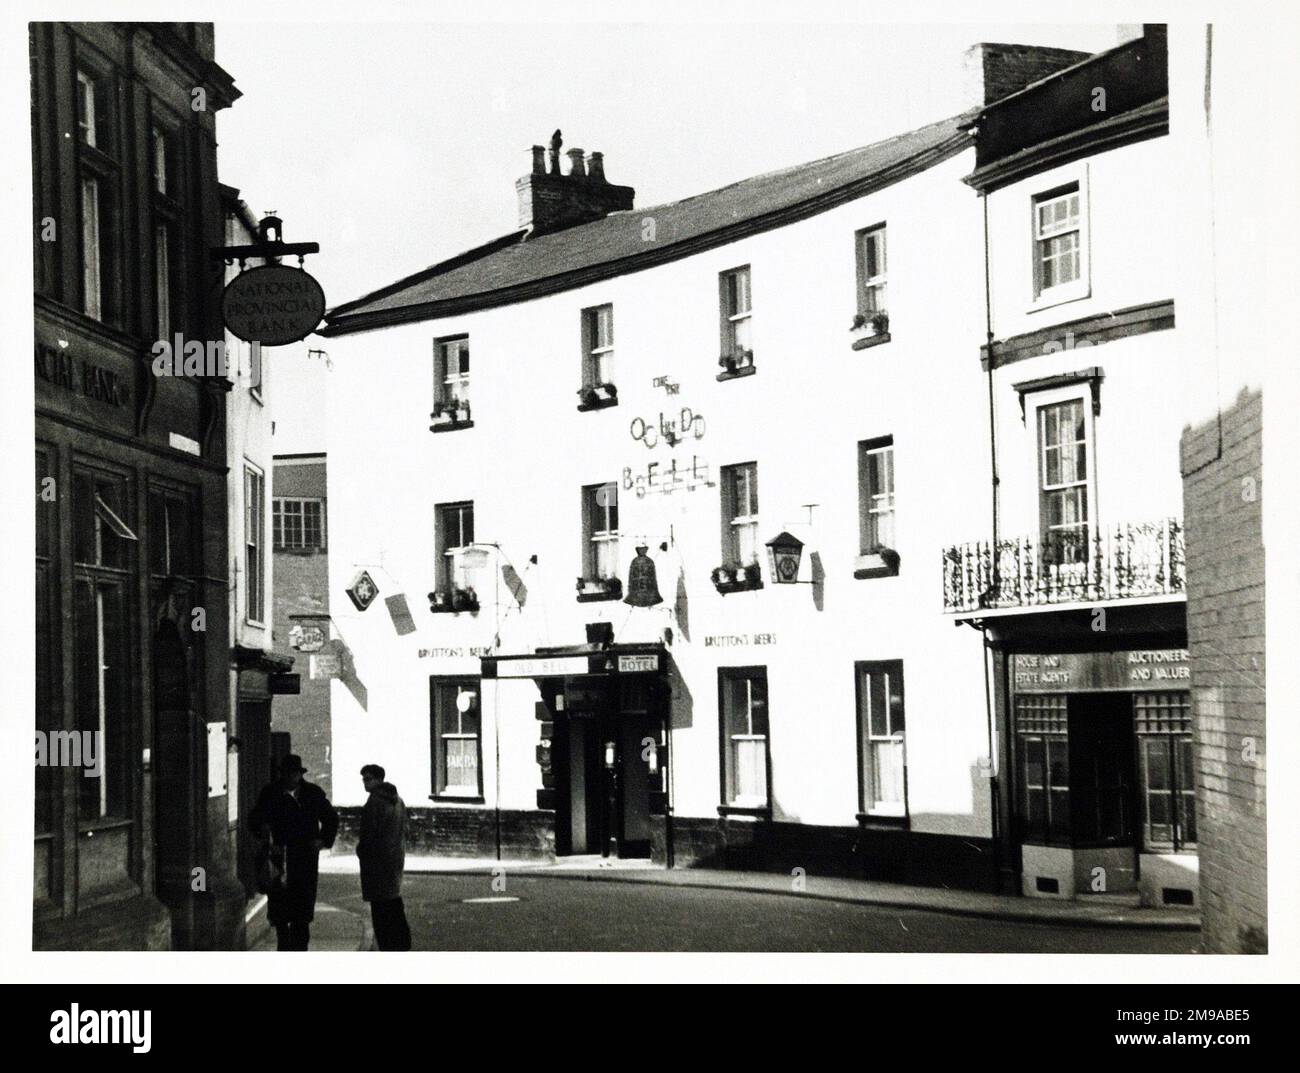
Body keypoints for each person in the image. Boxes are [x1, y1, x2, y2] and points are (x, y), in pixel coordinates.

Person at [249, 754, 338, 951]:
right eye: (287, 774)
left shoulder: (313, 794)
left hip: (304, 858)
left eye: (295, 774)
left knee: (302, 913)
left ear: (300, 774)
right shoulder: (271, 793)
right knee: (280, 913)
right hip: (278, 857)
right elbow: (254, 818)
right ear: (282, 775)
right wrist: (261, 827)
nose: (291, 778)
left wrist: (322, 840)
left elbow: (331, 818)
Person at [357, 764, 411, 951]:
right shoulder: (398, 800)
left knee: (380, 909)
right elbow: (405, 829)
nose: (365, 782)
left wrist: (361, 851)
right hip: (394, 859)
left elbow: (368, 836)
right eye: (364, 779)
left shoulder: (374, 803)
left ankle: (389, 945)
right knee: (393, 901)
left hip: (378, 862)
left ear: (379, 779)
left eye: (369, 778)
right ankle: (401, 942)